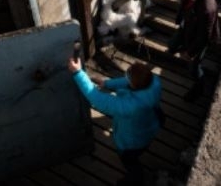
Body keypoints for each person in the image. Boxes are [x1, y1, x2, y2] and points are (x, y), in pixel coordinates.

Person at [68, 58, 161, 186]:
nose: (126, 78)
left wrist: (78, 73)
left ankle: (136, 179)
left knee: (130, 162)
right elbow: (127, 82)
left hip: (132, 143)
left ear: (134, 85)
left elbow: (98, 99)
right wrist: (107, 84)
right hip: (149, 128)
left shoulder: (130, 107)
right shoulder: (154, 82)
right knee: (139, 152)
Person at [166, 0, 220, 101]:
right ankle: (178, 51)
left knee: (194, 68)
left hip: (198, 37)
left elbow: (204, 37)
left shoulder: (207, 9)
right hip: (187, 26)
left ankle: (199, 87)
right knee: (171, 45)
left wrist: (190, 53)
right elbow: (185, 3)